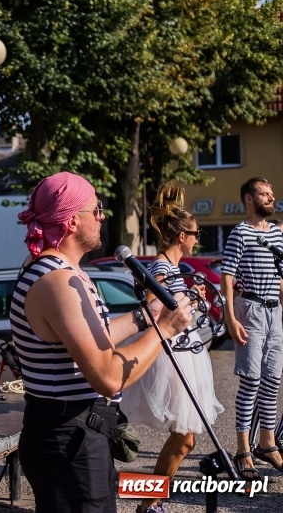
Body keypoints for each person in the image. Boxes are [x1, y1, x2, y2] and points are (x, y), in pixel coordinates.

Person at [11, 172, 192, 513]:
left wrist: (146, 314)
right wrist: (163, 329)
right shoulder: (57, 280)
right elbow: (108, 377)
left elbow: (97, 338)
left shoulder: (60, 271)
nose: (102, 215)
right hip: (67, 437)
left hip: (76, 432)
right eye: (96, 209)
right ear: (71, 221)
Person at [120, 184, 224, 513]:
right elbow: (153, 309)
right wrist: (185, 301)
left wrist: (190, 298)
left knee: (186, 438)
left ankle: (150, 501)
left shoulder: (172, 267)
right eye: (195, 233)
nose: (197, 238)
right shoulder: (162, 268)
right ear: (182, 235)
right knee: (185, 437)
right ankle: (149, 503)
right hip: (173, 357)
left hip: (185, 352)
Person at [221, 177, 283, 480]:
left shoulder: (277, 234)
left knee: (272, 380)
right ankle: (243, 449)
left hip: (275, 310)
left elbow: (281, 277)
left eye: (271, 194)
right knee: (251, 382)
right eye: (264, 194)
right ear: (249, 198)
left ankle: (267, 444)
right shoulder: (239, 233)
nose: (271, 198)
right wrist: (231, 319)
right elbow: (227, 277)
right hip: (251, 309)